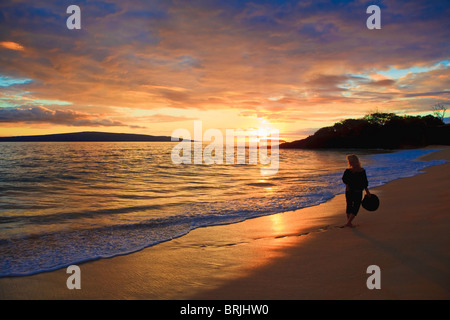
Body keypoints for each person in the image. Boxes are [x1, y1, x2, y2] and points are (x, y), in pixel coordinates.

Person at [342, 154, 371, 228]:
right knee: (356, 207)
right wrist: (367, 191)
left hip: (349, 191)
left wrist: (347, 185)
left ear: (352, 162)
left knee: (349, 205)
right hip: (357, 191)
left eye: (349, 161)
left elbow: (344, 180)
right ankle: (349, 223)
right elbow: (364, 182)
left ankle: (348, 222)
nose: (349, 162)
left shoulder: (348, 171)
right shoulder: (362, 171)